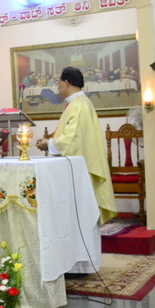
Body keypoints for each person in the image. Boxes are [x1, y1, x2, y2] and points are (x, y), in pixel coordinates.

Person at [36, 67, 118, 224]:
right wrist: (50, 141)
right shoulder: (78, 103)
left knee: (80, 216)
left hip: (79, 168)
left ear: (67, 83)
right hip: (78, 165)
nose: (58, 86)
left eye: (59, 82)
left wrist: (49, 143)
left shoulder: (79, 105)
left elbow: (73, 139)